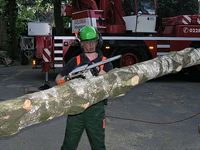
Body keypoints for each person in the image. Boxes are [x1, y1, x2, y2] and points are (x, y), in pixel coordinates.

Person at [55, 25, 113, 150]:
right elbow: (58, 79)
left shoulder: (105, 61)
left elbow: (113, 85)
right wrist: (70, 79)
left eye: (93, 41)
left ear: (98, 41)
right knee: (68, 146)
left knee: (99, 146)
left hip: (96, 111)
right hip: (76, 111)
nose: (91, 45)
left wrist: (103, 75)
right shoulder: (75, 61)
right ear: (81, 44)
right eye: (87, 42)